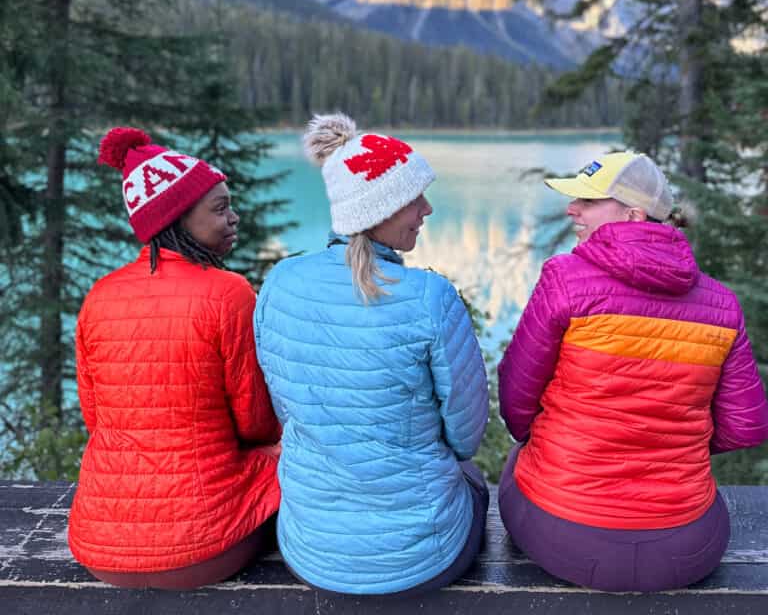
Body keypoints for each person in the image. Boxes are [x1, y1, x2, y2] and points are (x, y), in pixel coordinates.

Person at [497, 150, 768, 593]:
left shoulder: (565, 279)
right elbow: (747, 426)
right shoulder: (721, 304)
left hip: (564, 535)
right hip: (685, 547)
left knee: (518, 461)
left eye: (588, 200)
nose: (572, 209)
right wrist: (670, 441)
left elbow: (516, 402)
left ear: (634, 214)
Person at [254, 113, 489, 596]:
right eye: (412, 199)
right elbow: (466, 437)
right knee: (473, 481)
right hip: (423, 558)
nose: (427, 209)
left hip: (311, 549)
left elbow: (286, 410)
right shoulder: (430, 297)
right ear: (378, 210)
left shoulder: (279, 282)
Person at [68, 127, 281, 590]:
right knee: (290, 458)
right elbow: (256, 424)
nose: (234, 218)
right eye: (220, 208)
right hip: (202, 551)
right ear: (176, 217)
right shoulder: (229, 293)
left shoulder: (99, 296)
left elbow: (96, 417)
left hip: (99, 548)